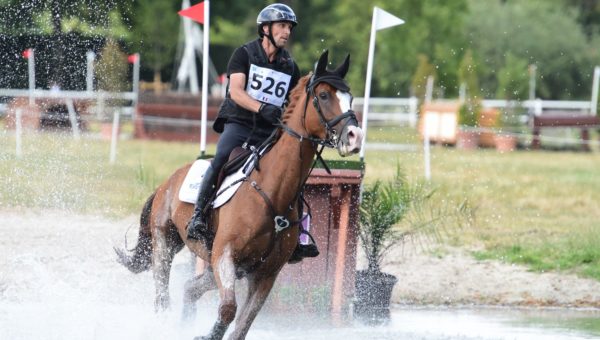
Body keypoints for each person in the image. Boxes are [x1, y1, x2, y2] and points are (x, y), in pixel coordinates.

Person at [187, 3, 319, 262]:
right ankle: (198, 218)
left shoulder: (289, 66)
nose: (287, 32)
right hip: (240, 123)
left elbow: (291, 104)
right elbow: (236, 92)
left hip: (269, 131)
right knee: (221, 159)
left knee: (290, 175)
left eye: (289, 27)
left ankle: (298, 236)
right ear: (266, 29)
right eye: (282, 26)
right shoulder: (244, 54)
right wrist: (261, 108)